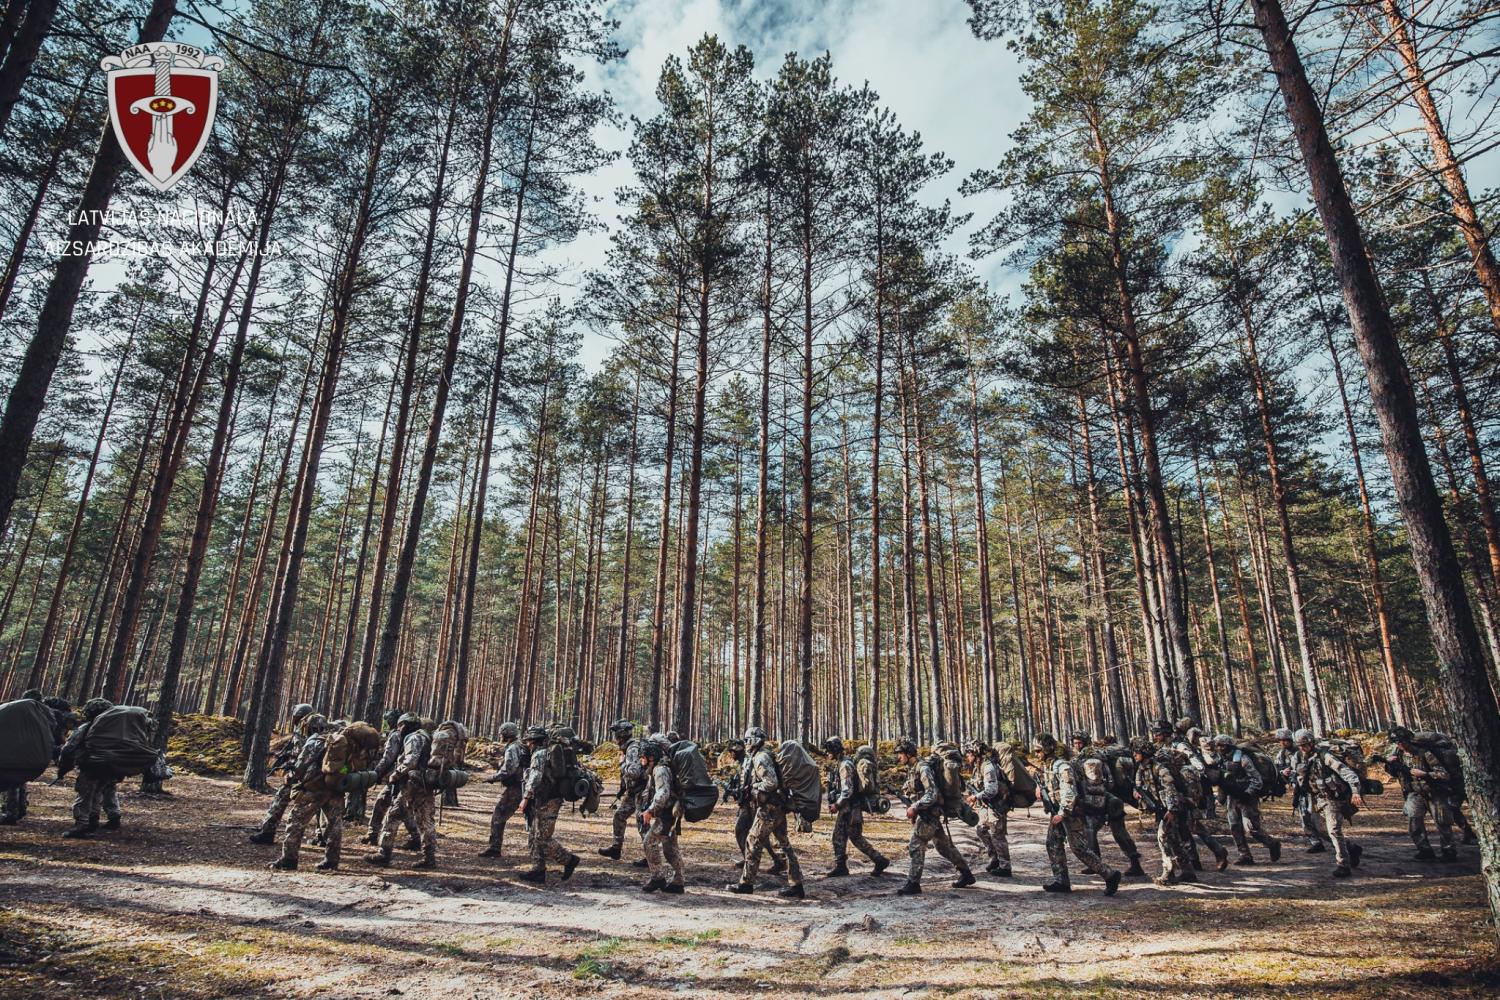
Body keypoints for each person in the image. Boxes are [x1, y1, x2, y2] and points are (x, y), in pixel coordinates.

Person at [1033, 733, 1120, 895]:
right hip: (1058, 812)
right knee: (1052, 843)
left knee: (1079, 849)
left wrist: (1063, 813)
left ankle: (1110, 874)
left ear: (1047, 749)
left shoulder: (1062, 766)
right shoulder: (1049, 767)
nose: (1036, 754)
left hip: (1070, 813)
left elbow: (1069, 792)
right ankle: (1061, 881)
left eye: (1038, 751)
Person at [726, 726, 804, 898]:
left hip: (769, 808)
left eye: (747, 741)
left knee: (753, 840)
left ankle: (746, 883)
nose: (745, 744)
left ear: (753, 741)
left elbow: (771, 782)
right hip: (777, 806)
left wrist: (753, 788)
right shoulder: (763, 755)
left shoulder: (760, 757)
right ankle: (796, 885)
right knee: (784, 844)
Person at [892, 738, 975, 896]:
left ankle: (913, 882)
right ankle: (966, 873)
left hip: (929, 813)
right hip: (928, 812)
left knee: (916, 844)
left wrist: (915, 807)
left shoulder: (923, 768)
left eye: (900, 754)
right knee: (943, 846)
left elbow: (932, 793)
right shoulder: (913, 768)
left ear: (908, 753)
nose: (898, 757)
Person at [269, 714, 344, 871]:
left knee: (295, 820)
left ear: (310, 727)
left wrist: (291, 777)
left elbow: (301, 765)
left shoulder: (315, 742)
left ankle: (289, 859)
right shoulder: (337, 741)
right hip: (335, 788)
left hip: (314, 789)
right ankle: (331, 860)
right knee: (335, 825)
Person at [1151, 721, 1228, 871]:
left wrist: (1191, 793)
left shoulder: (1179, 746)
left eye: (1158, 733)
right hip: (1172, 791)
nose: (1155, 736)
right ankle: (1196, 860)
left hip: (1187, 791)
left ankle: (1217, 852)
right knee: (1185, 826)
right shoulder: (1159, 748)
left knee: (1192, 825)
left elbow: (1196, 767)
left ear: (1165, 733)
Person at [365, 713, 438, 870]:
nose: (399, 729)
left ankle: (384, 854)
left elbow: (411, 761)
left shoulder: (413, 737)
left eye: (400, 725)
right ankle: (429, 857)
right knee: (426, 822)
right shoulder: (426, 736)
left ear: (406, 724)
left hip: (412, 785)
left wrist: (395, 775)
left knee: (392, 817)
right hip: (426, 784)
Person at [1290, 729, 1365, 878]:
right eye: (1299, 745)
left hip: (1332, 798)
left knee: (1334, 830)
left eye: (1304, 745)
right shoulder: (1299, 757)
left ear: (1311, 743)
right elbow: (1297, 775)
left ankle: (1343, 864)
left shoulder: (1325, 756)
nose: (1302, 748)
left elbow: (1346, 772)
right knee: (1320, 830)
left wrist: (1355, 791)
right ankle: (1351, 848)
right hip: (1317, 798)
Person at [1071, 731, 1145, 877]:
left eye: (1079, 742)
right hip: (1111, 798)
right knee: (1117, 831)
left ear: (1085, 742)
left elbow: (1105, 780)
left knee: (1091, 829)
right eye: (1075, 743)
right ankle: (1134, 863)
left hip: (1101, 799)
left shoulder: (1086, 757)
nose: (1077, 745)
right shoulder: (1099, 755)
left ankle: (1097, 864)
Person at [517, 725, 581, 885]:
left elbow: (536, 777)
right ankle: (538, 870)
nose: (527, 744)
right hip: (542, 799)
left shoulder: (540, 754)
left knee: (543, 838)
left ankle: (569, 860)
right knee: (533, 836)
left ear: (533, 741)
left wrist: (526, 797)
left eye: (529, 741)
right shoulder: (543, 753)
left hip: (549, 800)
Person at [1130, 738, 1195, 886]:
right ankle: (1188, 870)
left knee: (1163, 838)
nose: (1134, 755)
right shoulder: (1141, 769)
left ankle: (1168, 872)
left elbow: (1170, 789)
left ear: (1144, 753)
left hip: (1172, 809)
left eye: (1137, 752)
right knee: (1173, 840)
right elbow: (1139, 786)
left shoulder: (1160, 769)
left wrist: (1172, 810)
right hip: (1161, 808)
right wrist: (1137, 793)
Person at [1385, 726, 1456, 862]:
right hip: (1414, 792)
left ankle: (1449, 850)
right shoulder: (1398, 755)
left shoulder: (1425, 753)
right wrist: (1389, 765)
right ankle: (1424, 849)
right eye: (1396, 742)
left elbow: (1443, 775)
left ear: (1408, 740)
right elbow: (1396, 773)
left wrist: (1426, 774)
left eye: (1402, 741)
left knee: (1442, 822)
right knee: (1414, 822)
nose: (1400, 745)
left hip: (1434, 791)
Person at [821, 737, 889, 878]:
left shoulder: (845, 765)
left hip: (850, 808)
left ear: (834, 750)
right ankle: (844, 866)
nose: (827, 753)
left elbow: (848, 790)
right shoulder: (842, 763)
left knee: (848, 837)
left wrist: (837, 804)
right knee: (846, 836)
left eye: (828, 750)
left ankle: (878, 860)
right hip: (849, 807)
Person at [249, 703, 315, 845]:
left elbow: (303, 754)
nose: (294, 719)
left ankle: (268, 833)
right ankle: (322, 838)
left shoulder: (305, 730)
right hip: (311, 775)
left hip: (299, 775)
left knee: (281, 800)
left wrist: (293, 768)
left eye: (295, 716)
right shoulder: (314, 729)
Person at [2, 692, 73, 825]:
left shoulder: (18, 711)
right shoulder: (46, 715)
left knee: (12, 782)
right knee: (18, 781)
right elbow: (58, 739)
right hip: (34, 755)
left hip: (15, 753)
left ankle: (11, 813)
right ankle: (19, 809)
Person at [56, 698, 122, 838]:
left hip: (91, 767)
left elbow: (68, 749)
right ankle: (93, 821)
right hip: (110, 769)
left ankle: (82, 825)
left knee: (85, 796)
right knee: (98, 794)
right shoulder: (117, 730)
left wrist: (63, 768)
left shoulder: (88, 727)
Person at [1212, 734, 1282, 865]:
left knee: (1251, 828)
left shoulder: (1242, 759)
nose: (1220, 748)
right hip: (1232, 797)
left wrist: (1248, 793)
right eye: (1218, 746)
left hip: (1248, 797)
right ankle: (1244, 855)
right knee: (1234, 827)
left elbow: (1257, 780)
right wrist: (1220, 798)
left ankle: (1272, 844)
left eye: (1222, 745)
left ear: (1229, 745)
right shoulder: (1220, 760)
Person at [363, 707, 418, 847]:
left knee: (389, 805)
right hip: (406, 776)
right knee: (391, 804)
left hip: (398, 777)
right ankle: (373, 834)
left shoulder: (395, 735)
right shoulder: (413, 735)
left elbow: (388, 757)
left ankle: (375, 836)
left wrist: (376, 773)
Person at [639, 735, 685, 894]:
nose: (641, 761)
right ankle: (678, 881)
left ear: (651, 757)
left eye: (643, 757)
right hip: (670, 812)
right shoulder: (660, 767)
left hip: (667, 814)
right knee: (670, 848)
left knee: (649, 842)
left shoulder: (660, 770)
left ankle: (658, 877)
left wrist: (651, 810)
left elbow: (663, 793)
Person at [598, 719, 646, 866]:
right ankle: (616, 848)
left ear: (621, 734)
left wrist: (621, 763)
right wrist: (623, 788)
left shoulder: (632, 749)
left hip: (641, 792)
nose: (615, 738)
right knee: (619, 816)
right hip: (633, 791)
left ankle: (650, 856)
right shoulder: (628, 747)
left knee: (642, 824)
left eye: (616, 734)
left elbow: (634, 771)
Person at [963, 738, 1011, 877]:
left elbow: (992, 789)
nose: (967, 756)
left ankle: (1005, 866)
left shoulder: (988, 767)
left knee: (997, 835)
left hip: (997, 806)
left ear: (975, 753)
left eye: (968, 753)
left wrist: (976, 797)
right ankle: (994, 858)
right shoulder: (978, 767)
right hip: (986, 805)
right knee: (981, 829)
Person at [480, 721, 529, 859]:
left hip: (516, 788)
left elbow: (509, 769)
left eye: (502, 733)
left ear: (506, 734)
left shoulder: (513, 748)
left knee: (498, 816)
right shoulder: (521, 746)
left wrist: (493, 777)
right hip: (522, 787)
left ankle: (494, 848)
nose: (500, 735)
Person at [1274, 727, 1326, 852]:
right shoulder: (1281, 754)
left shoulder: (1302, 751)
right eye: (1280, 741)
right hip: (1297, 788)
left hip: (1312, 788)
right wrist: (1283, 772)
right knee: (1304, 817)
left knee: (1316, 819)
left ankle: (1342, 844)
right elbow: (1276, 767)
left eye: (1284, 740)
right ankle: (1316, 842)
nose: (1282, 743)